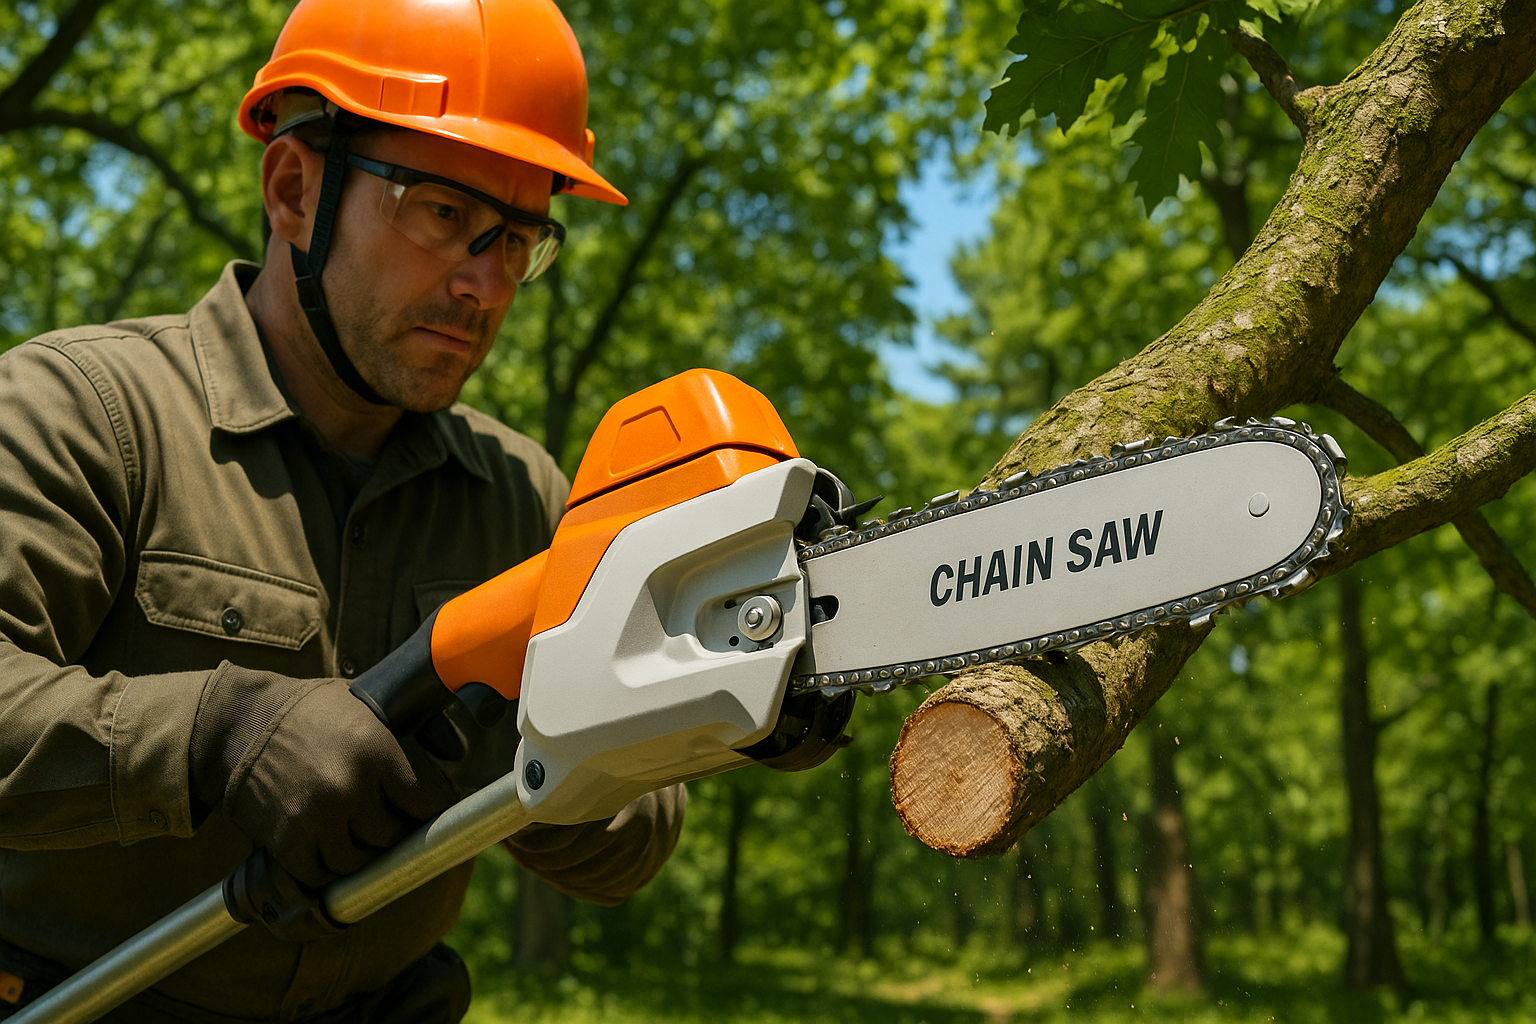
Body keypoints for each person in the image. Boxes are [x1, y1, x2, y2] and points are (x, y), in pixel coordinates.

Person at [0, 0, 684, 1019]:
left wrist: (625, 729)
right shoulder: (83, 412)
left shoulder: (522, 499)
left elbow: (630, 839)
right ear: (292, 188)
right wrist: (215, 734)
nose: (484, 284)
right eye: (444, 214)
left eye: (520, 240)